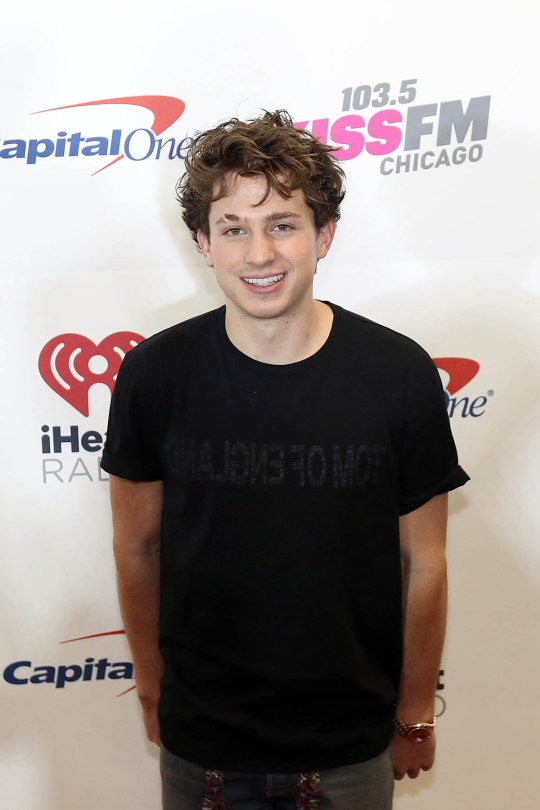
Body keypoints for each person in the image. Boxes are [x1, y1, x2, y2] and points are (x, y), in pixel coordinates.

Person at [101, 110, 469, 810]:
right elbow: (136, 546)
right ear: (204, 243)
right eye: (234, 229)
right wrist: (151, 687)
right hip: (202, 747)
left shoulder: (398, 374)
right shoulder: (155, 374)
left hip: (349, 747)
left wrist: (416, 711)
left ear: (323, 235)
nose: (259, 253)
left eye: (282, 224)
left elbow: (424, 561)